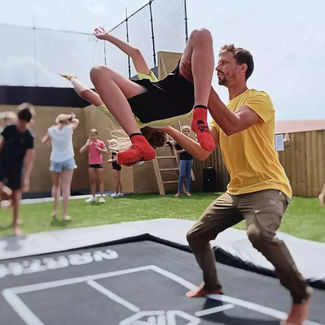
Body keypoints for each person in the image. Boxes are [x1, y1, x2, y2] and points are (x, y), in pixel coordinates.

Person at [163, 42, 312, 325]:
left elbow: (233, 124)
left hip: (268, 186)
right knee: (196, 235)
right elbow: (203, 151)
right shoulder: (224, 109)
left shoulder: (258, 98)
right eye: (215, 63)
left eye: (223, 62)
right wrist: (167, 127)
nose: (217, 66)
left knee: (258, 235)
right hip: (235, 193)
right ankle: (212, 284)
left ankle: (301, 294)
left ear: (242, 69)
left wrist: (202, 82)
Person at [90, 26, 216, 166]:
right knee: (201, 34)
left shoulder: (125, 112)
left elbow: (136, 54)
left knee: (199, 34)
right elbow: (135, 53)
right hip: (176, 100)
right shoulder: (128, 114)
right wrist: (108, 37)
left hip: (173, 94)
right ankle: (200, 116)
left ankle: (137, 141)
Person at [58, 29, 166, 157]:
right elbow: (86, 93)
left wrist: (108, 37)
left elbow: (136, 53)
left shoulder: (159, 103)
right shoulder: (127, 120)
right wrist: (72, 79)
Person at [0, 103, 35, 236]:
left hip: (16, 167)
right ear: (18, 119)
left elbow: (30, 158)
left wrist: (26, 177)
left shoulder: (29, 136)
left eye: (24, 123)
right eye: (19, 121)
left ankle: (15, 224)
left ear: (28, 121)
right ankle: (10, 199)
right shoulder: (9, 129)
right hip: (2, 163)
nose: (21, 125)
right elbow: (1, 146)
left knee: (17, 195)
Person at [42, 113, 79, 221]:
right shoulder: (69, 128)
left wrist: (52, 137)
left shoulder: (51, 130)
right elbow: (76, 121)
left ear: (57, 120)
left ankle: (55, 210)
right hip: (68, 159)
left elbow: (44, 141)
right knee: (66, 187)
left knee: (56, 185)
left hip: (55, 159)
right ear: (66, 121)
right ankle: (64, 214)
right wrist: (70, 118)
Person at [80, 128, 107, 203]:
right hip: (91, 164)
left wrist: (98, 148)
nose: (93, 137)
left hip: (99, 164)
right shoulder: (89, 143)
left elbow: (106, 152)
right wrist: (86, 144)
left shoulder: (101, 143)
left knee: (101, 180)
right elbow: (81, 151)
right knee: (92, 181)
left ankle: (101, 197)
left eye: (94, 135)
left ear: (97, 135)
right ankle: (93, 197)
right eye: (91, 135)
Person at [174, 126, 194, 197]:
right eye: (184, 131)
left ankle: (188, 192)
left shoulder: (191, 141)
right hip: (183, 160)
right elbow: (176, 152)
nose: (186, 132)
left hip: (190, 159)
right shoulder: (179, 142)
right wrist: (184, 150)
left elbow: (194, 150)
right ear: (182, 132)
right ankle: (178, 192)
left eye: (187, 131)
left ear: (189, 132)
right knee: (182, 175)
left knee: (188, 176)